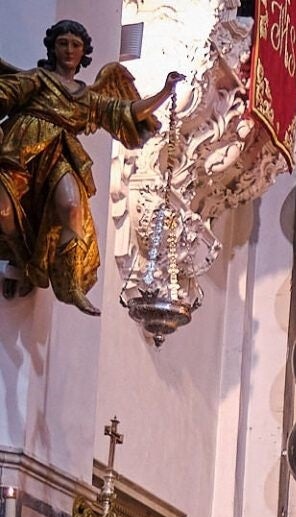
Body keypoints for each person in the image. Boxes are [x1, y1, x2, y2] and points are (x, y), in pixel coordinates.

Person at [0, 20, 182, 314]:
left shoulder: (88, 97)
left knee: (72, 206)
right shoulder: (38, 79)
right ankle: (23, 258)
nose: (69, 50)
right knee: (3, 212)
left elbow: (127, 112)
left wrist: (165, 91)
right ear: (53, 47)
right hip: (20, 151)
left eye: (76, 44)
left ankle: (70, 282)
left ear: (84, 52)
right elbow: (5, 93)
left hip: (61, 154)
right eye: (63, 43)